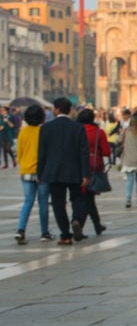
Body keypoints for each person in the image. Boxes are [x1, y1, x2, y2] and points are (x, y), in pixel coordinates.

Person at [38, 97, 89, 245]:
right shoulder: (78, 127)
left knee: (58, 204)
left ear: (57, 109)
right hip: (75, 171)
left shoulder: (46, 128)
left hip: (54, 172)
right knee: (78, 199)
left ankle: (65, 235)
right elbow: (84, 153)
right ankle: (77, 219)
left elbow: (42, 153)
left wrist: (41, 173)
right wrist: (85, 174)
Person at [14, 104, 51, 244]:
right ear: (42, 118)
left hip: (26, 171)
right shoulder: (44, 131)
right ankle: (44, 233)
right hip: (42, 172)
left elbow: (19, 152)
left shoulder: (23, 132)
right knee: (43, 203)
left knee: (28, 201)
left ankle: (21, 230)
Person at [78, 109, 111, 238]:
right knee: (89, 197)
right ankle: (79, 223)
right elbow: (107, 152)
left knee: (86, 197)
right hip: (94, 166)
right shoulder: (99, 132)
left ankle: (96, 225)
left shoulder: (77, 131)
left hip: (78, 166)